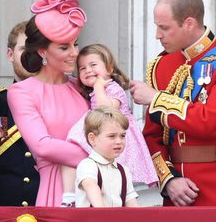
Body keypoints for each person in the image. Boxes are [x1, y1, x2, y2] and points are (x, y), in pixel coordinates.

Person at [130, 0, 216, 206]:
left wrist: (156, 99)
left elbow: (210, 121)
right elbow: (152, 136)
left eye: (164, 27)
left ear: (189, 23)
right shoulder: (162, 65)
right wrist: (169, 180)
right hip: (176, 196)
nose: (157, 35)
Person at [7, 0, 90, 207]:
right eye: (64, 47)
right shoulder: (22, 92)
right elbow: (43, 146)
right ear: (43, 51)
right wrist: (99, 155)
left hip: (97, 188)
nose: (74, 53)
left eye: (75, 44)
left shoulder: (82, 87)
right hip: (57, 192)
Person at [61, 43, 158, 206]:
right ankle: (69, 195)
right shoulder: (92, 92)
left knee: (117, 173)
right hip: (100, 130)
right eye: (82, 68)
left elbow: (106, 111)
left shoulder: (114, 88)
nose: (88, 70)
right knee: (70, 152)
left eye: (93, 65)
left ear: (109, 67)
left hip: (113, 131)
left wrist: (99, 86)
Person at [0, 21, 40, 206]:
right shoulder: (0, 103)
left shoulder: (63, 102)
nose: (30, 56)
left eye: (36, 50)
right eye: (24, 49)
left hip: (49, 209)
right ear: (10, 54)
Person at [75, 106, 139, 207]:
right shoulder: (87, 165)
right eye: (112, 136)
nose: (119, 141)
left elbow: (132, 204)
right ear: (92, 139)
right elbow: (90, 186)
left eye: (122, 136)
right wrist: (103, 216)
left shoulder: (124, 171)